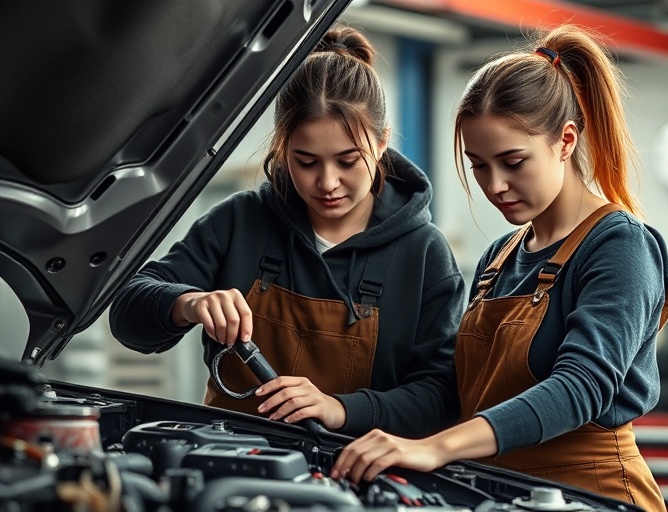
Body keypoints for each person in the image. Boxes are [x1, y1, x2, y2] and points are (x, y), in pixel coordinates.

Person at [330, 24, 668, 510]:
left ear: (565, 140)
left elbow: (581, 388)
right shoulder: (499, 257)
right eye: (479, 164)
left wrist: (436, 447)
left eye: (513, 161)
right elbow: (454, 394)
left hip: (589, 495)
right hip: (499, 493)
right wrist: (341, 412)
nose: (495, 185)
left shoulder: (620, 245)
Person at [108, 26, 466, 440]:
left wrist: (340, 409)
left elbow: (440, 397)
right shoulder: (240, 221)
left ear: (382, 142)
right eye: (306, 161)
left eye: (348, 161)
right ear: (282, 149)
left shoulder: (424, 254)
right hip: (225, 458)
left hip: (355, 483)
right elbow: (126, 312)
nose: (327, 182)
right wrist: (187, 303)